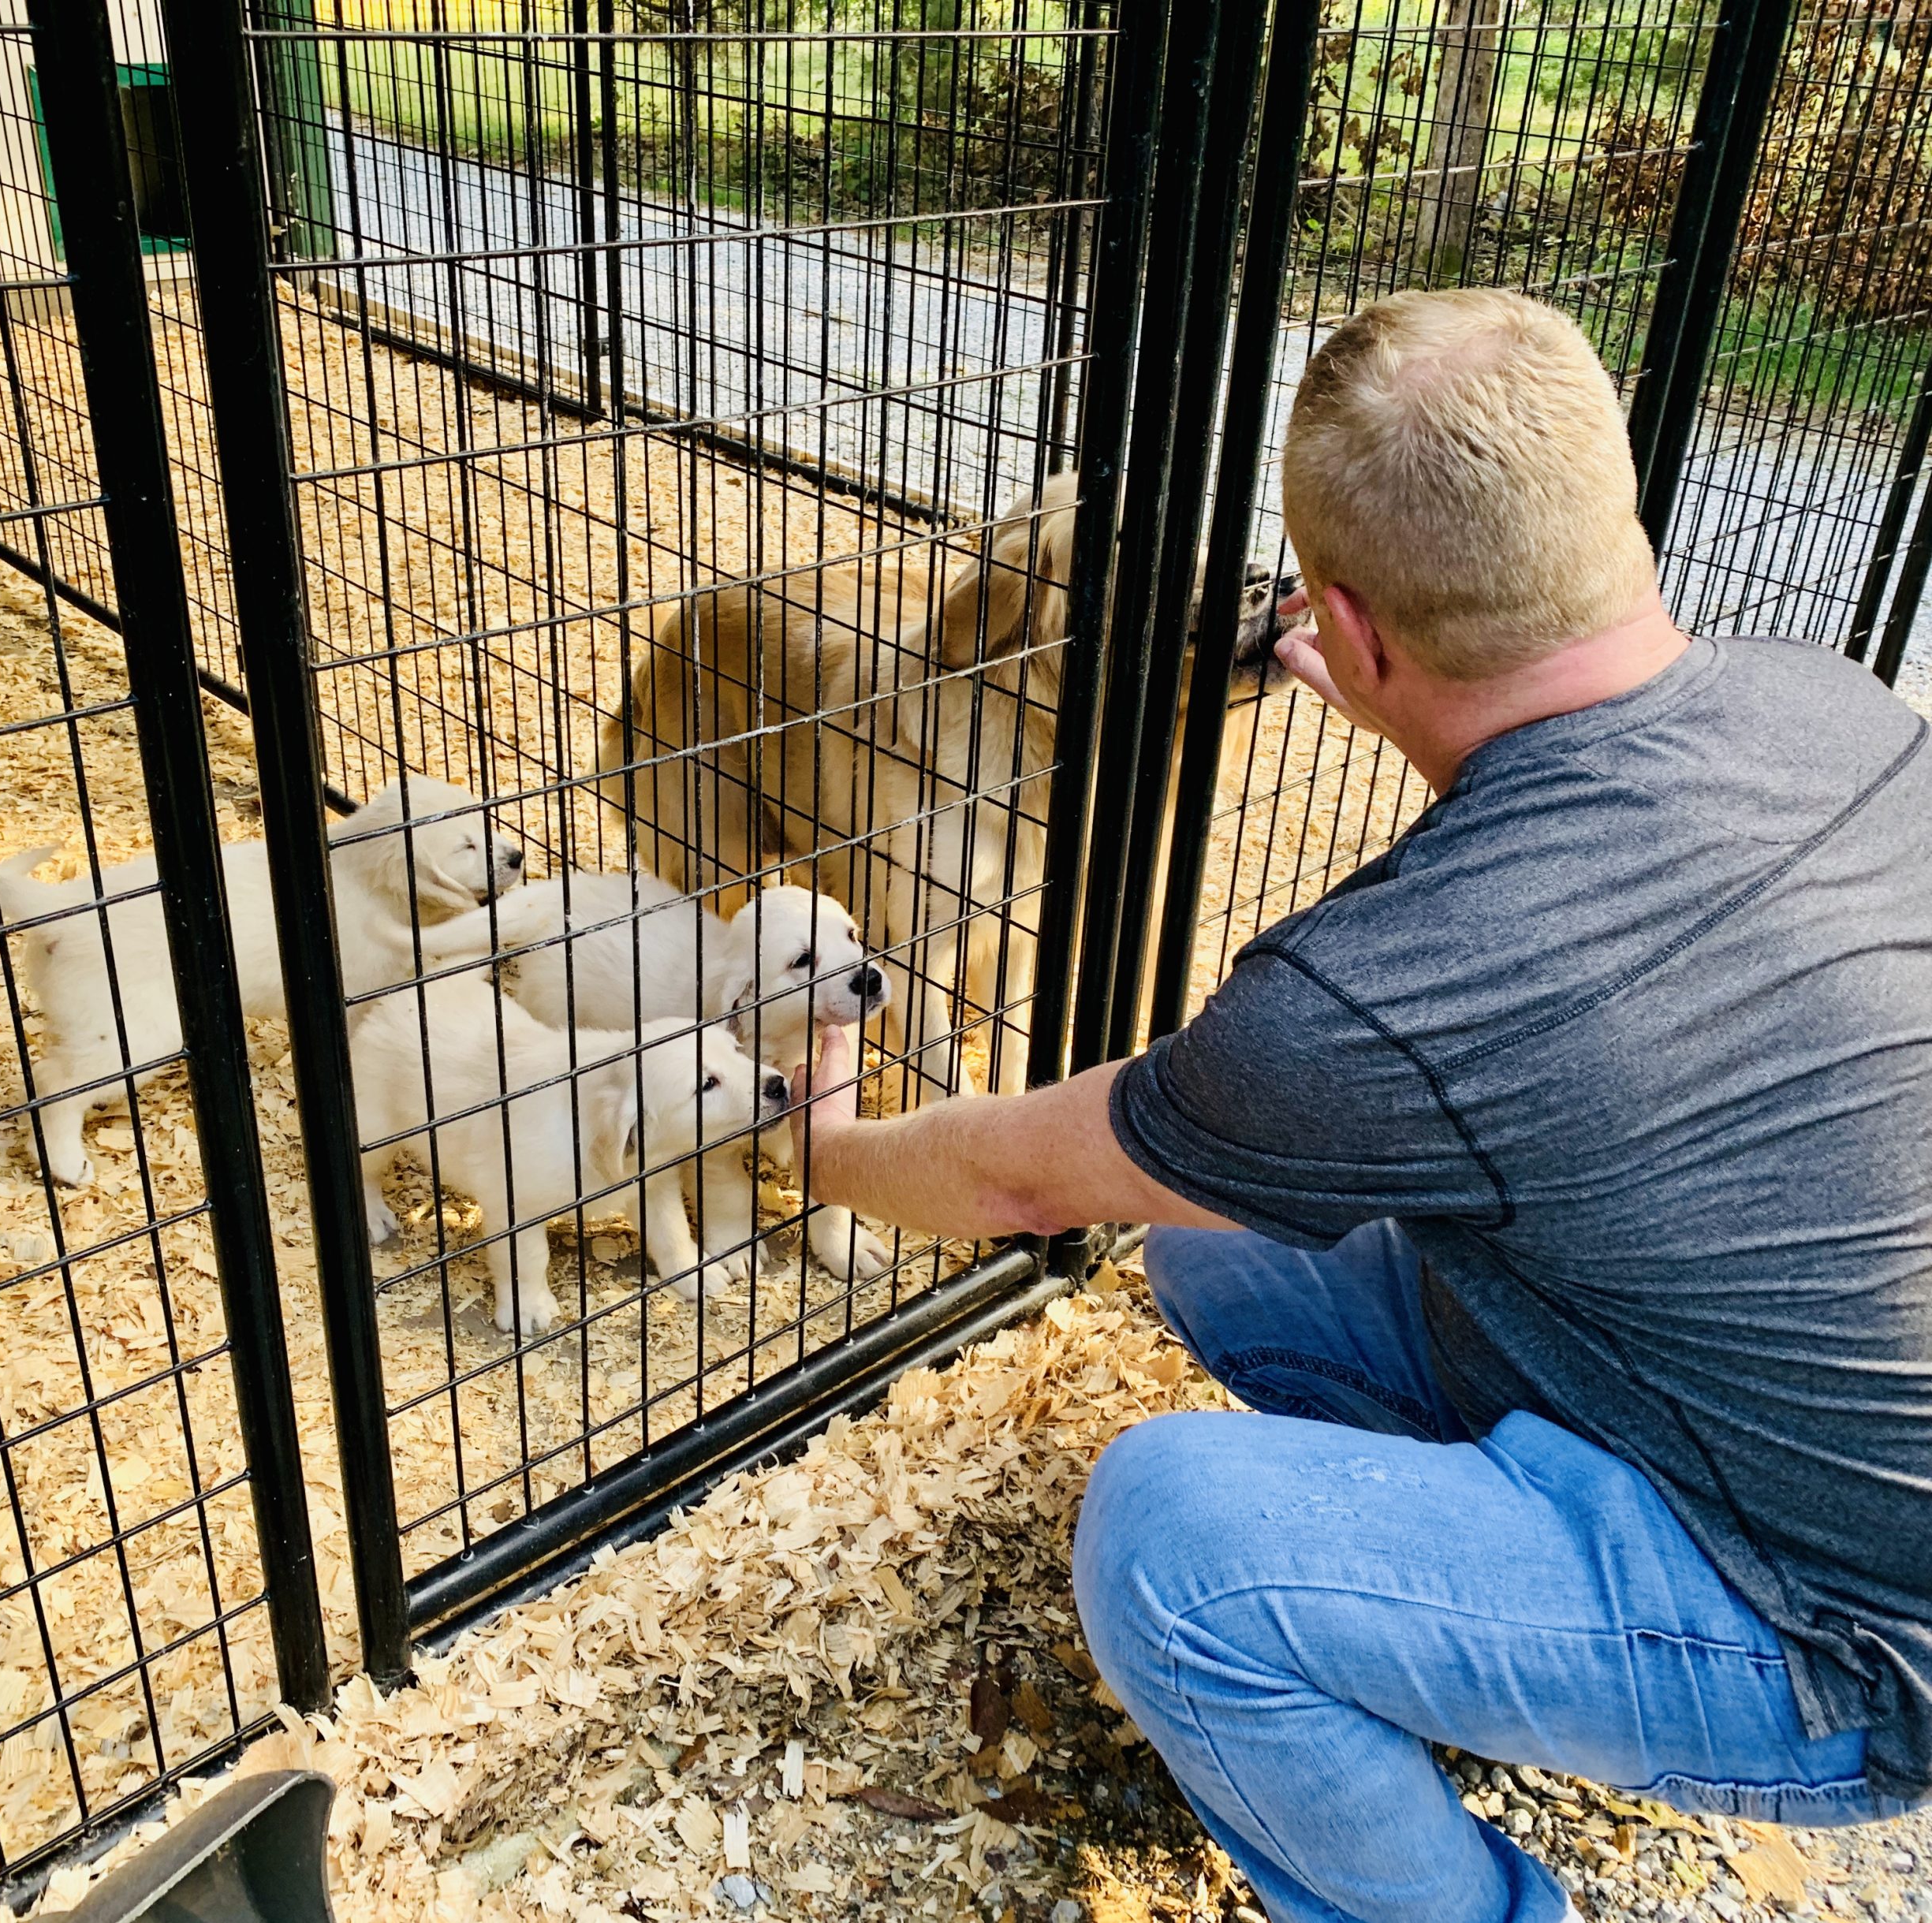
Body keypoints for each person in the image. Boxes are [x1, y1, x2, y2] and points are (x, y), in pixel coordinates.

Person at [788, 287, 1932, 1923]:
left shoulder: (1386, 993)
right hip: (1791, 1428)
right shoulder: (1827, 701)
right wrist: (1423, 706)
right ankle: (1449, 1614)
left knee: (1170, 1540)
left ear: (1351, 622)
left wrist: (822, 1143)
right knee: (1215, 1244)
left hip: (1842, 1642)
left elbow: (1022, 1180)